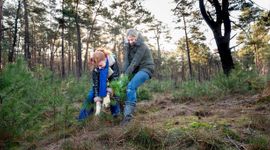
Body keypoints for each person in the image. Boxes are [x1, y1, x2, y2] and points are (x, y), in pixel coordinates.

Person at [120, 29, 155, 125]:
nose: (131, 42)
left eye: (133, 39)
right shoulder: (127, 46)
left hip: (146, 68)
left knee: (131, 86)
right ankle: (121, 112)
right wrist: (123, 73)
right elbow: (126, 61)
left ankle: (128, 118)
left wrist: (126, 76)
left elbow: (135, 62)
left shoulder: (142, 46)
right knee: (123, 87)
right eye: (129, 40)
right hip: (135, 70)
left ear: (137, 37)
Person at [77, 48, 121, 121]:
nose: (99, 67)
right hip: (100, 84)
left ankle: (116, 115)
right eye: (98, 66)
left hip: (113, 83)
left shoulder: (112, 61)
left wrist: (110, 87)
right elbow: (96, 83)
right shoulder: (95, 66)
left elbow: (116, 76)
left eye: (101, 65)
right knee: (90, 96)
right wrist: (97, 96)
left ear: (105, 59)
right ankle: (82, 118)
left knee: (114, 96)